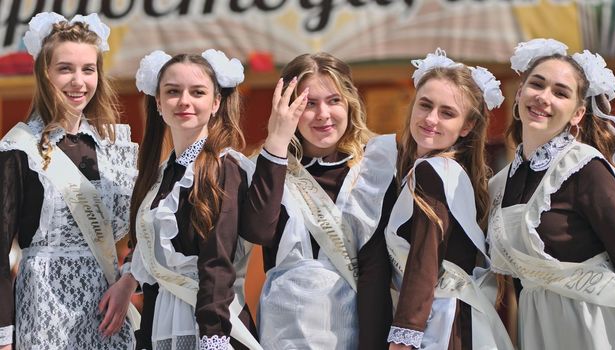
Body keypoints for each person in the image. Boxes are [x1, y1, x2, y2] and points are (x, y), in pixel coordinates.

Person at [0, 12, 139, 350]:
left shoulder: (114, 147)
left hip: (108, 309)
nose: (78, 81)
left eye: (87, 69)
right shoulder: (19, 148)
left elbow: (143, 234)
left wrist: (127, 284)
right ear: (44, 73)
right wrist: (4, 337)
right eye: (65, 69)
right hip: (43, 308)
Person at [241, 52, 397, 350]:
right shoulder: (265, 168)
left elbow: (375, 270)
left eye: (334, 100)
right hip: (284, 331)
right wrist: (276, 142)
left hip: (352, 329)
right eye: (309, 104)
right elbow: (258, 231)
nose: (323, 114)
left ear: (350, 103)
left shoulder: (375, 165)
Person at [488, 38, 615, 349]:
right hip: (537, 327)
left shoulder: (584, 168)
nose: (544, 98)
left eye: (560, 92)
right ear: (519, 94)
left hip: (595, 327)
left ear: (577, 114)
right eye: (537, 85)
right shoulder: (499, 185)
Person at [129, 49, 261, 350]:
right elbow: (152, 268)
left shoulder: (226, 167)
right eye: (173, 92)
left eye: (197, 92)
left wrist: (212, 337)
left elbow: (218, 259)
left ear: (216, 103)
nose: (184, 101)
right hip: (161, 322)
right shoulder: (159, 175)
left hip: (213, 326)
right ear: (158, 103)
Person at [384, 49, 513, 350]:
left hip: (439, 324)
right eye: (424, 105)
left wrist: (404, 336)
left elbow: (423, 260)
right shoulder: (449, 171)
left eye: (447, 113)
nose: (431, 119)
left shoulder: (433, 172)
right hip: (459, 318)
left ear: (466, 127)